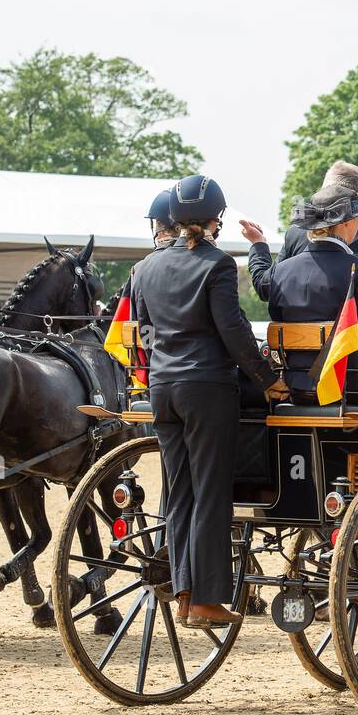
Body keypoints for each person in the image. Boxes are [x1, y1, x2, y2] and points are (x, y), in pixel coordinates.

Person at [129, 174, 288, 631]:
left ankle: (183, 593)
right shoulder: (217, 265)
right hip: (207, 390)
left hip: (162, 388)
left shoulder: (146, 268)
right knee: (211, 494)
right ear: (216, 219)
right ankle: (208, 599)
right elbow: (234, 332)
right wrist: (267, 378)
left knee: (178, 493)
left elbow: (144, 329)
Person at [264, 184, 358, 410]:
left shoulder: (281, 271)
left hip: (298, 385)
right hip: (351, 383)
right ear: (346, 223)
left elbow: (279, 322)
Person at [241, 161, 358, 300]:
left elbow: (266, 288)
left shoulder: (295, 232)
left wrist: (259, 245)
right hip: (355, 334)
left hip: (297, 338)